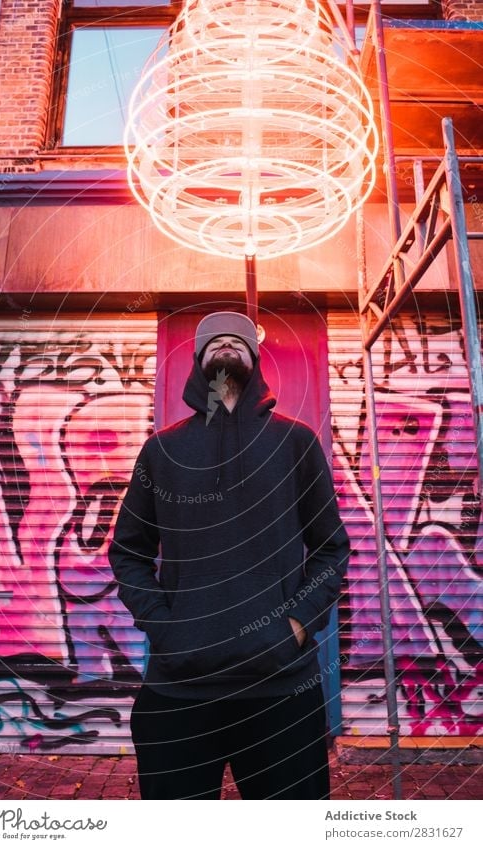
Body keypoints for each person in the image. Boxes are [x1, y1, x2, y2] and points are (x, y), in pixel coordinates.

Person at [108, 311, 350, 799]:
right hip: (179, 690)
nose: (225, 346)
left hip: (282, 688)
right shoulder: (162, 451)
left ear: (255, 359)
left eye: (236, 341)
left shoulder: (295, 441)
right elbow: (128, 552)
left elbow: (331, 548)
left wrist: (298, 624)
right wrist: (167, 629)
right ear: (199, 362)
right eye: (213, 341)